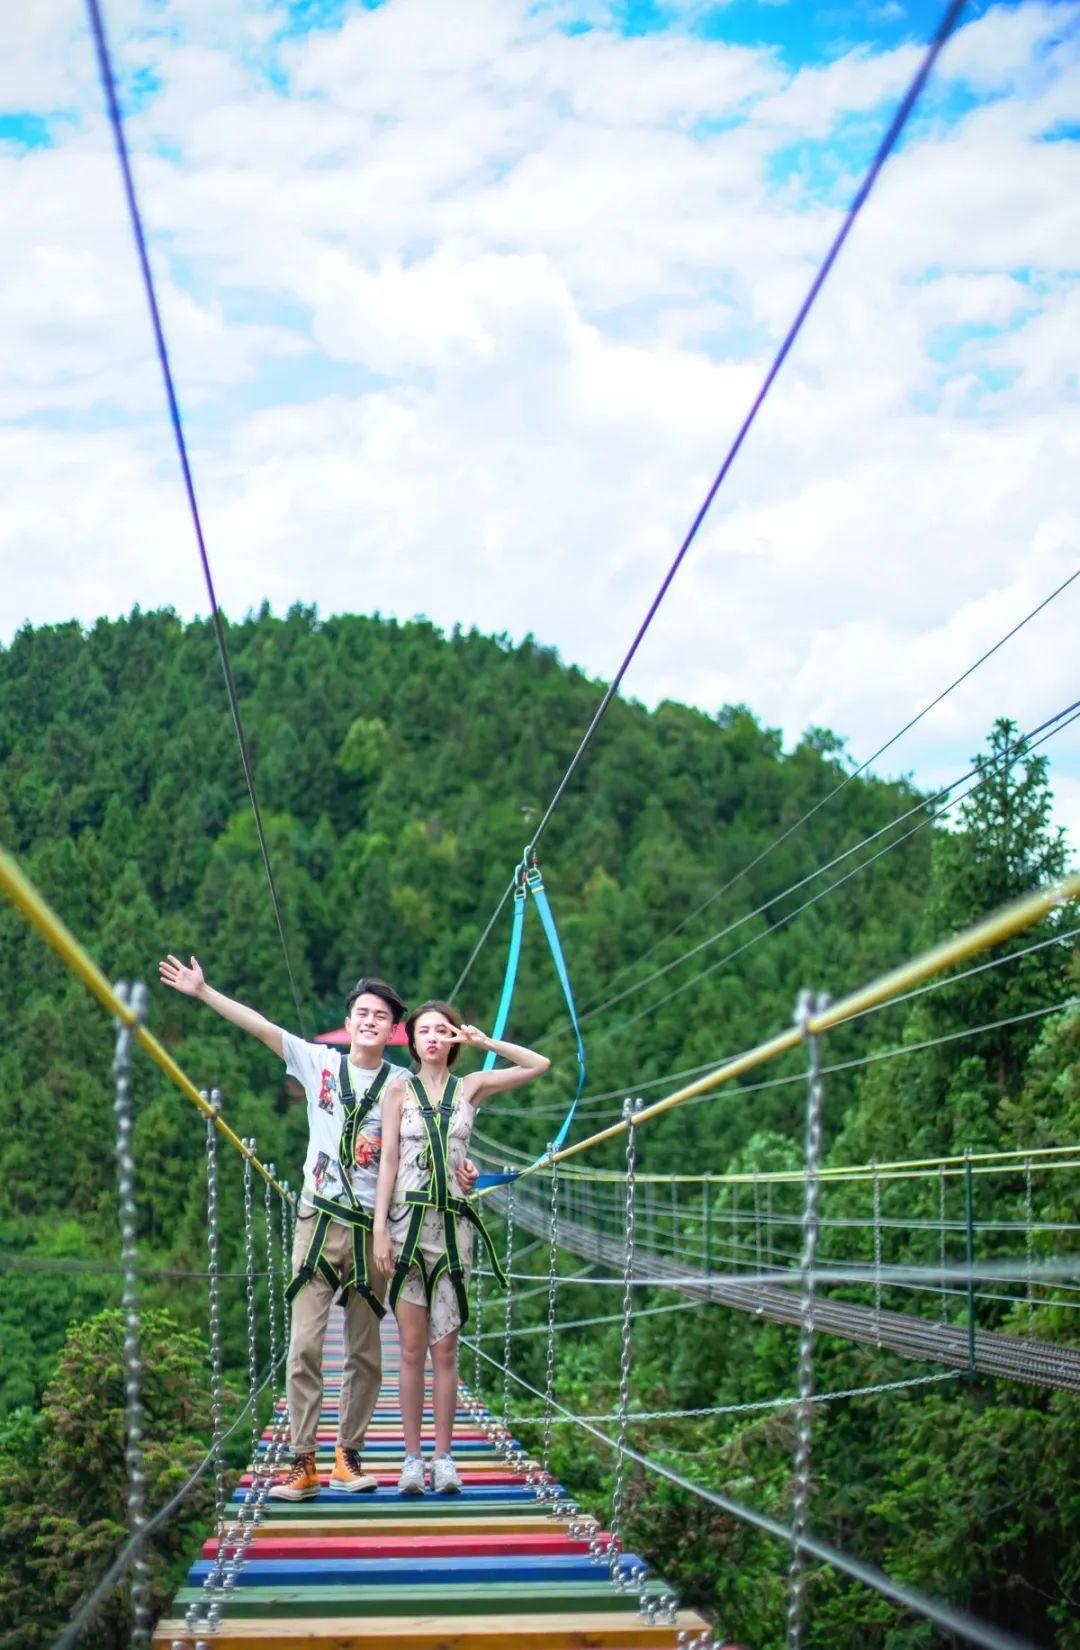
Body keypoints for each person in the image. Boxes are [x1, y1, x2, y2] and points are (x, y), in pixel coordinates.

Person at [157, 958, 479, 1501]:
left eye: (381, 1015)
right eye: (362, 1013)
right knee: (305, 1344)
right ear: (349, 1021)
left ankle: (346, 1456)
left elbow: (438, 1135)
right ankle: (301, 1460)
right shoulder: (319, 1063)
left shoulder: (406, 1084)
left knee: (364, 1351)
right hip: (319, 1219)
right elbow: (259, 1025)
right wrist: (205, 991)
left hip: (375, 1232)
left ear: (393, 1029)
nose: (370, 1021)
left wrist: (462, 1171)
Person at [373, 999, 549, 1494]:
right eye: (424, 1030)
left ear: (452, 1040)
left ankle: (444, 1456)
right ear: (411, 1040)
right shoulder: (397, 1091)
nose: (433, 1038)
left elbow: (538, 1065)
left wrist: (484, 1042)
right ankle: (412, 1458)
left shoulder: (469, 1088)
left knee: (445, 1348)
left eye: (442, 1031)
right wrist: (380, 1229)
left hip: (451, 1229)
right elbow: (388, 1160)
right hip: (407, 1225)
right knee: (411, 1350)